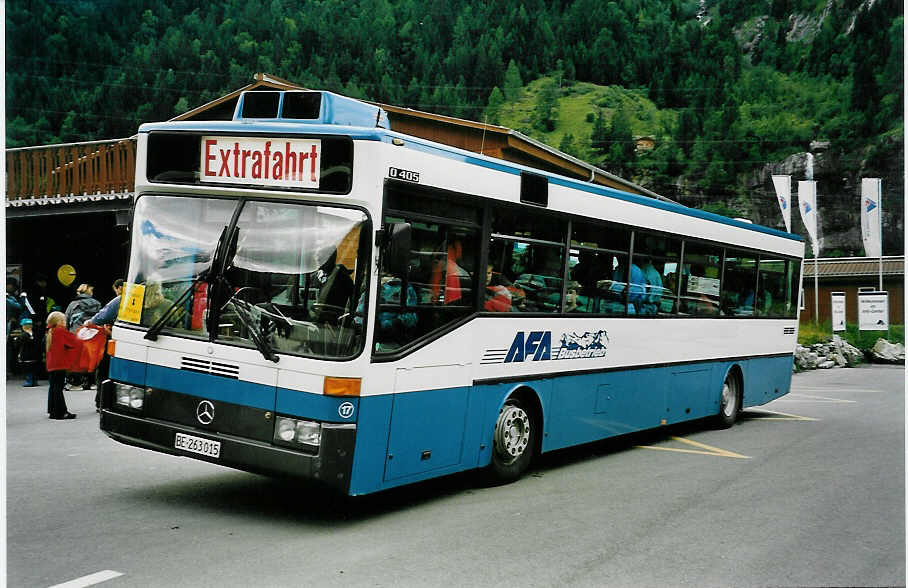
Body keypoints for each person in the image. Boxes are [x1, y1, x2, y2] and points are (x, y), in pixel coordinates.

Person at [85, 279, 123, 411]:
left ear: (118, 288)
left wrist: (90, 322)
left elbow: (102, 316)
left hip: (112, 341)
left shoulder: (120, 300)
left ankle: (101, 402)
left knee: (103, 371)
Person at [64, 283, 101, 390]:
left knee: (76, 359)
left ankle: (76, 383)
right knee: (91, 359)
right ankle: (92, 383)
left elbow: (66, 320)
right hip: (92, 335)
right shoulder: (97, 304)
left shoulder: (73, 304)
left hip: (76, 335)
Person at [45, 311, 79, 420]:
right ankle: (61, 412)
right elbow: (74, 342)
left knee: (53, 387)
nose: (66, 322)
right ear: (59, 321)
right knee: (58, 388)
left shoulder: (50, 331)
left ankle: (52, 411)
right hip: (60, 364)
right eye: (64, 320)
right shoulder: (61, 331)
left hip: (52, 364)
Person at [18, 318, 42, 387]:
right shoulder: (36, 334)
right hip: (35, 355)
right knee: (34, 368)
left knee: (28, 369)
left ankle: (29, 381)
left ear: (23, 326)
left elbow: (19, 344)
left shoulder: (23, 335)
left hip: (26, 356)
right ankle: (34, 381)